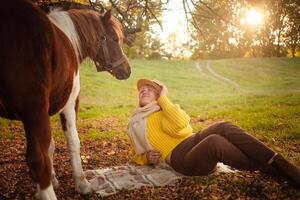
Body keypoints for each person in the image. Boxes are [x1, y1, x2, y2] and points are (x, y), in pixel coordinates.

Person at [127, 79, 300, 188]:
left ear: (158, 95)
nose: (144, 90)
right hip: (181, 160)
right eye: (142, 90)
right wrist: (147, 158)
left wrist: (164, 100)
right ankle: (265, 165)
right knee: (214, 142)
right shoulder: (135, 123)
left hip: (193, 140)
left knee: (223, 126)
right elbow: (137, 155)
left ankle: (278, 162)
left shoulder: (164, 109)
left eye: (150, 89)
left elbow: (180, 123)